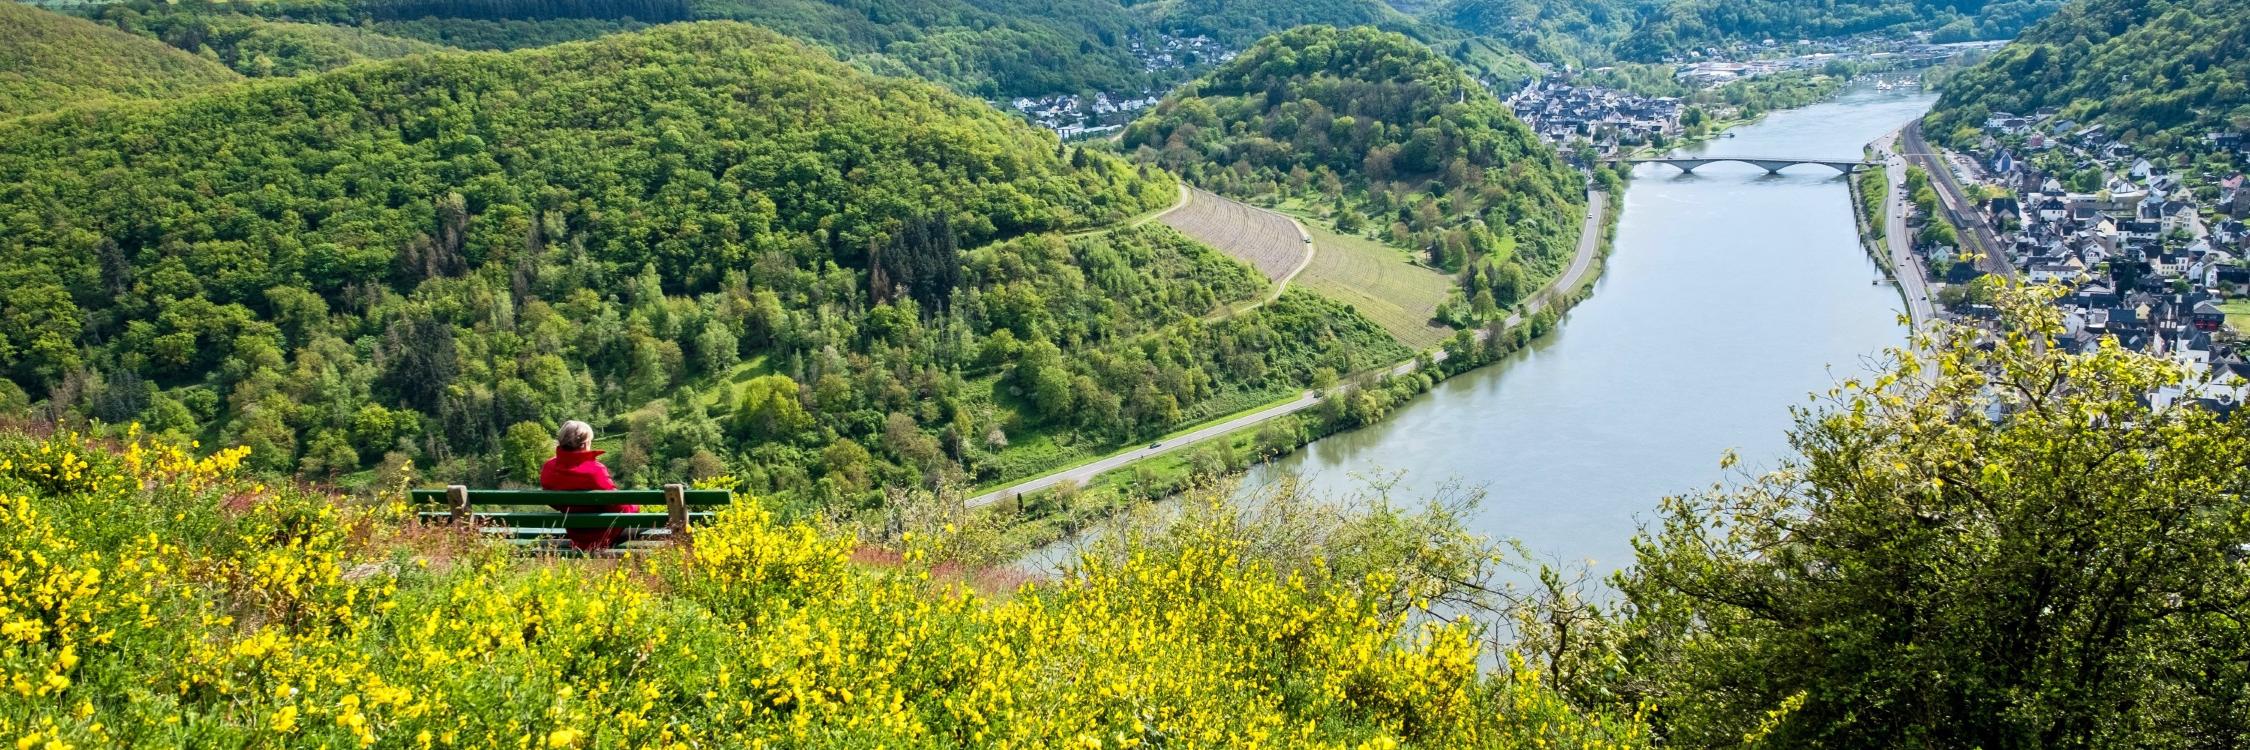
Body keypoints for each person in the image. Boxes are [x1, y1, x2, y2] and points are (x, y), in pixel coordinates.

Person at [539, 420, 638, 551]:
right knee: (651, 524)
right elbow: (621, 509)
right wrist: (635, 506)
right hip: (602, 535)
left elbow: (553, 502)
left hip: (575, 534)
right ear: (585, 444)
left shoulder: (549, 467)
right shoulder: (595, 471)